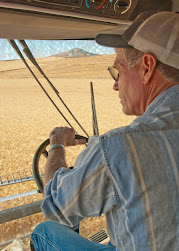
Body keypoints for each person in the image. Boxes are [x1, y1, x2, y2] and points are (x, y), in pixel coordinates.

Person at [31, 11, 179, 251]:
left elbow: (56, 205)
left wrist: (57, 145)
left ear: (147, 67)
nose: (115, 84)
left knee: (43, 232)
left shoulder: (118, 146)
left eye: (117, 71)